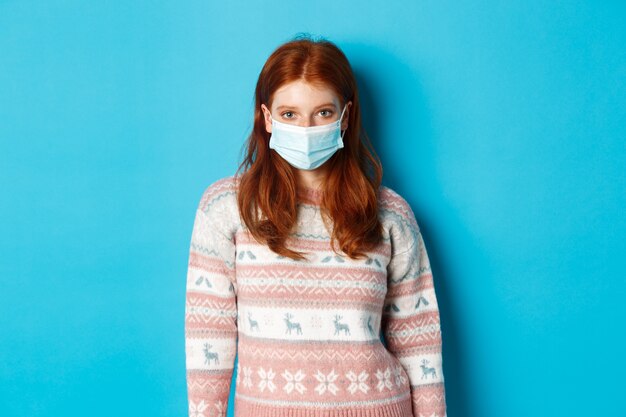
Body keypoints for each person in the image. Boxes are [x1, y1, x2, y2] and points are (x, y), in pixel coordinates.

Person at [184, 35, 447, 417]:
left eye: (323, 112)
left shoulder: (388, 213)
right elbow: (208, 337)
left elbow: (418, 341)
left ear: (346, 116)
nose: (306, 127)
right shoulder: (226, 208)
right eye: (290, 114)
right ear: (268, 117)